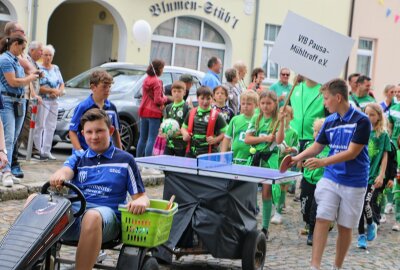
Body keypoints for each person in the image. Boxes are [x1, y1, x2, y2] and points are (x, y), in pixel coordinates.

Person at [25, 108, 150, 270]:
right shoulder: (79, 157)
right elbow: (65, 171)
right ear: (83, 134)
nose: (94, 136)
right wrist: (60, 176)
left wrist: (141, 202)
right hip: (74, 218)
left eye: (99, 131)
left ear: (110, 131)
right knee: (34, 200)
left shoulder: (125, 160)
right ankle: (34, 261)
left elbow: (142, 197)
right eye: (89, 132)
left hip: (106, 221)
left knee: (91, 216)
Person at [290, 79, 371, 270]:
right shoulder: (329, 121)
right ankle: (314, 266)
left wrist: (323, 162)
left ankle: (337, 266)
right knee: (322, 218)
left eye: (326, 99)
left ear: (338, 97)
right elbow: (318, 146)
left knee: (345, 227)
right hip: (331, 178)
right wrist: (296, 158)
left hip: (355, 181)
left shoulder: (362, 121)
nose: (324, 103)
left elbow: (352, 152)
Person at [244, 90, 285, 240]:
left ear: (275, 104)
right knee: (251, 191)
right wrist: (264, 138)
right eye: (263, 103)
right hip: (256, 158)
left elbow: (279, 140)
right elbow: (247, 139)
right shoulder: (256, 118)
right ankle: (250, 223)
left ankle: (265, 228)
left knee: (266, 192)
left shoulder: (278, 119)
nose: (265, 106)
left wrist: (280, 123)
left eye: (269, 103)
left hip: (270, 159)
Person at [0, 34, 38, 187]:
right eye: (22, 47)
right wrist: (30, 78)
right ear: (15, 44)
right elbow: (13, 81)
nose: (23, 51)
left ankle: (4, 168)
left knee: (14, 137)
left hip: (19, 101)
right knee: (7, 138)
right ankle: (6, 172)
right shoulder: (5, 60)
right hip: (7, 101)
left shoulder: (16, 60)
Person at [356, 103, 389, 249]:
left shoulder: (383, 135)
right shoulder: (361, 130)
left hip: (373, 176)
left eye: (372, 115)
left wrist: (381, 175)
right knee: (358, 206)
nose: (369, 117)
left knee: (366, 203)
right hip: (359, 174)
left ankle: (370, 224)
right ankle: (361, 235)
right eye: (366, 114)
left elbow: (385, 156)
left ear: (379, 116)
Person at [69, 70, 122, 156]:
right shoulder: (83, 107)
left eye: (109, 86)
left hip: (105, 154)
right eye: (104, 87)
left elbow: (115, 132)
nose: (108, 90)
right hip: (86, 153)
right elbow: (72, 131)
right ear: (93, 87)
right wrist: (79, 151)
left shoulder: (112, 108)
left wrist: (120, 154)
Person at [12, 41, 43, 176]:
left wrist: (33, 94)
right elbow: (28, 76)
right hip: (17, 98)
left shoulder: (24, 57)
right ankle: (13, 160)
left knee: (19, 130)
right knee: (16, 131)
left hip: (26, 98)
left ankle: (14, 158)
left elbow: (29, 80)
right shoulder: (16, 58)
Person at [298, 118, 329, 246]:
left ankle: (312, 232)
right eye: (315, 131)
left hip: (320, 182)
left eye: (319, 131)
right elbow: (301, 159)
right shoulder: (307, 145)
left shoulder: (330, 148)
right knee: (305, 206)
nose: (316, 133)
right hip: (307, 180)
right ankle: (308, 223)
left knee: (315, 209)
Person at [33, 45, 64, 160]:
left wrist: (58, 92)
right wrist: (51, 90)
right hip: (43, 100)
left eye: (50, 55)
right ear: (42, 55)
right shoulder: (38, 68)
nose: (48, 57)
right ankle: (37, 150)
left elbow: (61, 83)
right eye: (46, 54)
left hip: (54, 101)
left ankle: (46, 150)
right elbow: (36, 86)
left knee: (51, 126)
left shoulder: (55, 68)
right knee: (39, 125)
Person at [270, 106, 299, 225]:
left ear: (291, 118)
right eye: (282, 114)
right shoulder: (274, 129)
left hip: (284, 164)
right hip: (273, 162)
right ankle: (273, 205)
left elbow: (297, 148)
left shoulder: (293, 132)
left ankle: (279, 211)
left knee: (282, 187)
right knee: (272, 186)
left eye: (287, 115)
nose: (284, 117)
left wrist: (291, 149)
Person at [181, 86, 227, 157]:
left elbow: (226, 132)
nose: (205, 102)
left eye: (208, 98)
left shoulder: (216, 115)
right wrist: (185, 134)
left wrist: (216, 139)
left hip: (209, 154)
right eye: (202, 98)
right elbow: (183, 128)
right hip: (191, 152)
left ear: (212, 99)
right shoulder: (191, 113)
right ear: (197, 98)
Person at [137, 59, 167, 157]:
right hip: (154, 113)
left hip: (143, 110)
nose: (163, 70)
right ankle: (147, 163)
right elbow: (157, 100)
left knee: (142, 138)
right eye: (162, 68)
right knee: (151, 138)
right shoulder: (157, 82)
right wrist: (165, 99)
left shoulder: (146, 80)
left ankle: (137, 160)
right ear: (158, 69)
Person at [220, 90, 259, 164]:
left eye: (249, 104)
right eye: (243, 104)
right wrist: (223, 155)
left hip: (252, 160)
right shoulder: (235, 119)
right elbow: (227, 138)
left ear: (256, 105)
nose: (245, 106)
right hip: (235, 158)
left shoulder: (259, 121)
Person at [162, 81, 190, 157]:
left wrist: (181, 132)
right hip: (169, 143)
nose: (176, 93)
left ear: (184, 93)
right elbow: (164, 121)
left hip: (181, 144)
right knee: (166, 164)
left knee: (179, 165)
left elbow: (190, 125)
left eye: (179, 91)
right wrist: (163, 130)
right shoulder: (168, 107)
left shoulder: (187, 107)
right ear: (171, 92)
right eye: (174, 91)